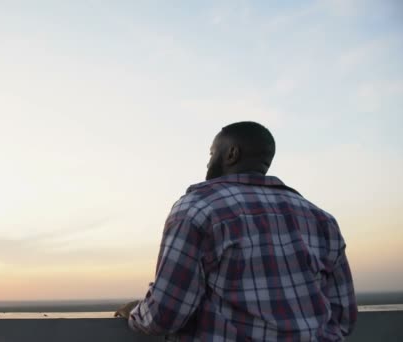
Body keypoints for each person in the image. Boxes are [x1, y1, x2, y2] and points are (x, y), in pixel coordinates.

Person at [115, 122, 357, 341]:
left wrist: (135, 311)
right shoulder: (321, 219)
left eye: (211, 154)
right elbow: (342, 316)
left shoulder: (199, 207)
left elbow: (165, 315)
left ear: (232, 153)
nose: (208, 162)